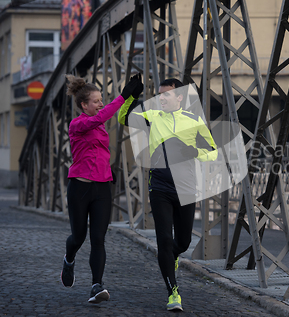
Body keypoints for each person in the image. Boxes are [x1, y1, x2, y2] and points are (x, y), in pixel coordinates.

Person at [118, 78, 218, 311]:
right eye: (159, 94)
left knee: (182, 242)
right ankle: (173, 293)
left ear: (180, 97)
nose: (161, 98)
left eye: (166, 94)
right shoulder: (152, 117)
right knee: (164, 240)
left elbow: (212, 152)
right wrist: (129, 96)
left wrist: (192, 150)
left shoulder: (194, 120)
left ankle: (171, 256)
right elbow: (123, 118)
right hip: (160, 186)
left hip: (186, 187)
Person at [61, 74, 142, 303]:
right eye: (96, 101)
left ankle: (96, 286)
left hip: (102, 188)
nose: (100, 104)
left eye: (101, 100)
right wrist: (122, 96)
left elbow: (98, 149)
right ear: (83, 105)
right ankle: (69, 259)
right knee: (78, 237)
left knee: (98, 238)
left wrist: (131, 98)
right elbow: (101, 118)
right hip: (79, 188)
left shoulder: (100, 123)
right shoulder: (78, 124)